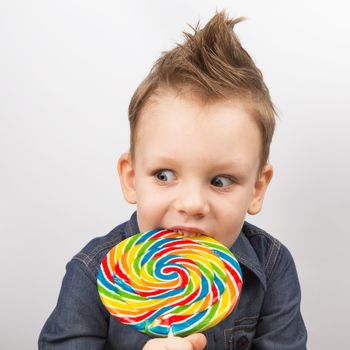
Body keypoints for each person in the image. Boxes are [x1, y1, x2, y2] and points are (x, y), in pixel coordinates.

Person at [39, 10, 307, 350]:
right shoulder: (93, 273)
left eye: (221, 181)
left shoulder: (272, 267)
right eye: (164, 175)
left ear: (256, 189)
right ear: (132, 179)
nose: (192, 204)